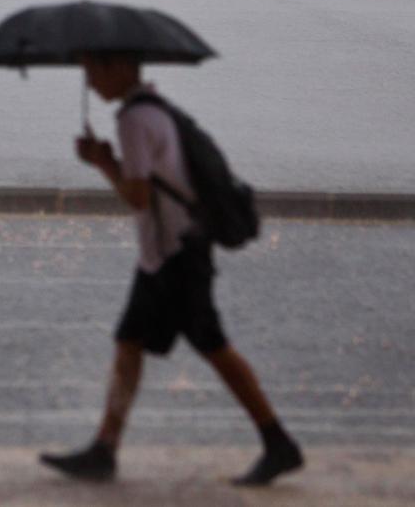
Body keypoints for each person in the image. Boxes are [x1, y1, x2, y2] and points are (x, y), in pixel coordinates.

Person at [39, 52, 303, 486]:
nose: (89, 81)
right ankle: (105, 448)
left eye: (93, 69)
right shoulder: (156, 110)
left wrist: (103, 163)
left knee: (213, 345)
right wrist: (108, 160)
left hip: (175, 258)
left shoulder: (133, 121)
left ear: (119, 67)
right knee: (129, 341)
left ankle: (278, 442)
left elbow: (138, 196)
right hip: (165, 257)